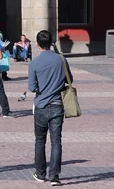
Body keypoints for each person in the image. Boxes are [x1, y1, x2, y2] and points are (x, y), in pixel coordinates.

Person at [28, 30, 73, 186]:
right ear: (52, 43)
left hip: (41, 105)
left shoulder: (34, 63)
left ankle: (40, 174)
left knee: (40, 141)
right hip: (57, 105)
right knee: (56, 141)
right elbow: (70, 79)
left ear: (37, 44)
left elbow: (32, 87)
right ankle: (54, 176)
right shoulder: (61, 59)